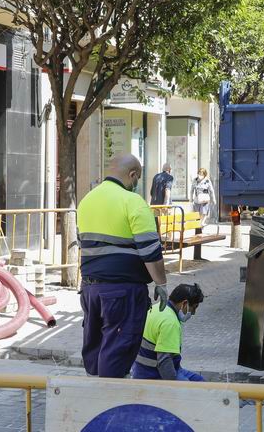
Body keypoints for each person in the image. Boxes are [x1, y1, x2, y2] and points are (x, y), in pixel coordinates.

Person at [77, 154, 168, 378]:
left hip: (90, 290)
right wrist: (162, 283)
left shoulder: (86, 200)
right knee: (118, 351)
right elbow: (150, 250)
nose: (136, 184)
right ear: (132, 175)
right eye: (137, 178)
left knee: (96, 350)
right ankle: (110, 403)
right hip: (122, 291)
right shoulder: (133, 201)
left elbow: (83, 243)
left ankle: (92, 399)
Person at [132, 283, 205, 381]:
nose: (193, 313)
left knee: (200, 381)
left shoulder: (158, 307)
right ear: (184, 304)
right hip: (152, 374)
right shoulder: (170, 323)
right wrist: (173, 387)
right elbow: (164, 362)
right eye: (194, 307)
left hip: (141, 369)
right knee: (190, 389)